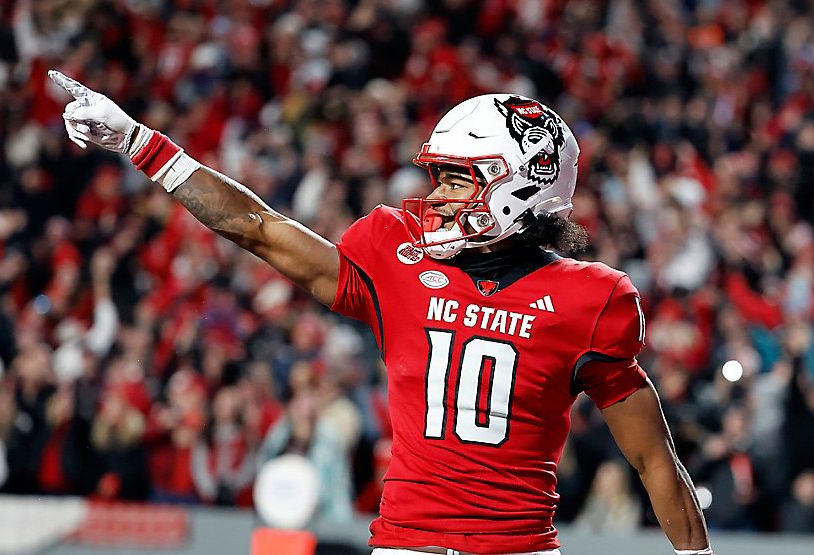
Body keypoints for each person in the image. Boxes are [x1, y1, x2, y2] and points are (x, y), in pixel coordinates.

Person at [49, 70, 712, 555]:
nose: (437, 197)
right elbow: (260, 227)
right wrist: (141, 143)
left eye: (458, 178)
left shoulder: (590, 299)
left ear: (521, 184)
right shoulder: (395, 251)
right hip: (403, 541)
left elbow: (654, 458)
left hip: (516, 547)